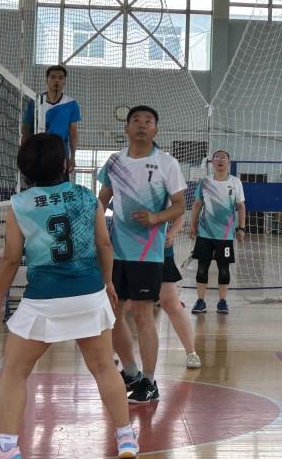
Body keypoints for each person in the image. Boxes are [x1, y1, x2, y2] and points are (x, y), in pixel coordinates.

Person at [0, 133, 138, 459]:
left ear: (25, 167)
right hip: (88, 293)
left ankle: (7, 448)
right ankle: (126, 439)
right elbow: (104, 244)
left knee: (14, 371)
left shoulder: (20, 204)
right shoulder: (86, 197)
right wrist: (108, 282)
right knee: (104, 368)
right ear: (66, 164)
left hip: (43, 298)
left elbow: (11, 258)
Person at [98, 106, 186, 404]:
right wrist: (94, 231)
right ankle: (132, 372)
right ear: (126, 128)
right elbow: (102, 200)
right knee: (112, 313)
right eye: (136, 120)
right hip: (115, 251)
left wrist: (155, 217)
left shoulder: (166, 163)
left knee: (142, 314)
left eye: (148, 121)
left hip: (148, 253)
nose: (142, 125)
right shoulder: (115, 162)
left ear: (155, 130)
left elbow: (179, 205)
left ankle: (149, 381)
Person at [190, 150, 246, 315]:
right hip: (204, 234)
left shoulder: (235, 182)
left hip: (225, 236)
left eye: (223, 158)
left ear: (229, 162)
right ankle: (200, 301)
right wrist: (192, 224)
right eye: (217, 158)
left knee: (224, 269)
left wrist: (241, 228)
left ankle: (222, 302)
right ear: (212, 162)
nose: (220, 160)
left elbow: (241, 206)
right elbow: (197, 204)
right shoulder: (205, 182)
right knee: (202, 268)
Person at [21, 65, 81, 177]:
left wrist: (72, 156)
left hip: (60, 152)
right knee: (38, 182)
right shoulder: (35, 101)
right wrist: (23, 152)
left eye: (60, 78)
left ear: (64, 82)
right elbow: (26, 128)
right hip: (38, 151)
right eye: (53, 77)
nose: (56, 80)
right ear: (47, 80)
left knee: (59, 182)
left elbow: (73, 132)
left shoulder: (72, 104)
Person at [160, 212, 200, 369]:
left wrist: (171, 233)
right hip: (126, 255)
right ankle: (111, 353)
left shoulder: (165, 197)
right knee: (122, 307)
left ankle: (191, 352)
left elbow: (179, 214)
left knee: (172, 304)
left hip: (161, 253)